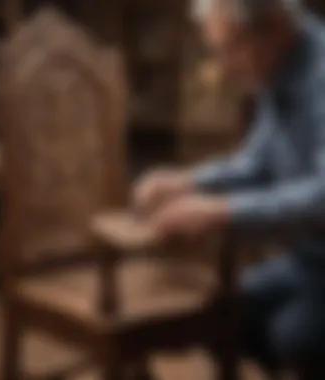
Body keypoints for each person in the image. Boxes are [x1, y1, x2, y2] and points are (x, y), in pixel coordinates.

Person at [133, 0, 325, 376]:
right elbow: (257, 162)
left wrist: (220, 212)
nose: (223, 67)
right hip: (310, 259)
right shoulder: (279, 68)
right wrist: (187, 182)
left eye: (229, 49)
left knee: (293, 335)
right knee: (221, 315)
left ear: (275, 27)